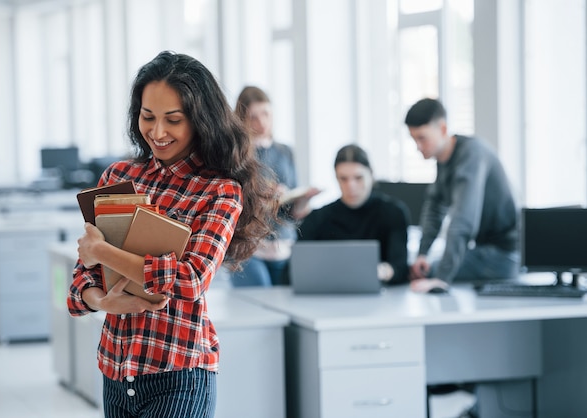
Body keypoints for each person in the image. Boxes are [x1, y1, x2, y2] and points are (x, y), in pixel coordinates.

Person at [67, 51, 279, 417]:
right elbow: (79, 285)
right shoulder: (118, 178)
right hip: (116, 371)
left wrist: (103, 253)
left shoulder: (219, 190)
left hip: (179, 373)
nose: (158, 132)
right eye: (147, 117)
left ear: (200, 121)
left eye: (173, 120)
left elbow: (191, 279)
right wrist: (104, 302)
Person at [405, 97, 519, 294]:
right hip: (484, 250)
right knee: (425, 267)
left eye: (422, 138)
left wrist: (441, 279)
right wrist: (422, 253)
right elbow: (434, 209)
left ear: (442, 129)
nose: (418, 146)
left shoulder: (471, 155)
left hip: (504, 256)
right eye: (413, 139)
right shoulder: (443, 160)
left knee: (431, 272)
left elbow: (463, 220)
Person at [229, 85, 319, 287]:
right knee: (258, 308)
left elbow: (291, 211)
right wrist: (257, 196)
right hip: (249, 248)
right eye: (253, 117)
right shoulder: (236, 156)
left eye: (266, 114)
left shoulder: (285, 152)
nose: (261, 122)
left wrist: (301, 200)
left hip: (283, 245)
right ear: (242, 119)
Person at [297, 144, 411, 284]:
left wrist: (382, 272)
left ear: (371, 174)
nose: (351, 186)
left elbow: (400, 267)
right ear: (336, 178)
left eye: (358, 178)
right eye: (343, 179)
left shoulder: (394, 213)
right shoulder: (317, 218)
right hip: (328, 295)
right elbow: (298, 268)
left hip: (383, 295)